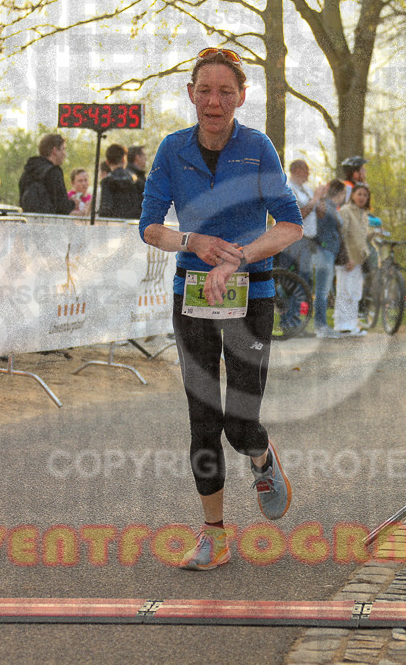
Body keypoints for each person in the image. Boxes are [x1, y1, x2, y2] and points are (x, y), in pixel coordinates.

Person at [138, 47, 302, 570]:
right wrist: (192, 240)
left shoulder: (258, 148)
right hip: (193, 300)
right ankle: (214, 535)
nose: (214, 101)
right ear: (190, 94)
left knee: (239, 421)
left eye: (225, 92)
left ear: (241, 97)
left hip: (251, 298)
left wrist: (239, 257)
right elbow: (149, 226)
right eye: (204, 90)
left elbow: (290, 223)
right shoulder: (171, 149)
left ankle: (261, 455)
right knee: (203, 420)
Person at [276, 159, 316, 330]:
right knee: (290, 282)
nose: (308, 173)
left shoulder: (307, 190)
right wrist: (316, 201)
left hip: (308, 241)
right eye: (306, 170)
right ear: (298, 170)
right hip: (292, 241)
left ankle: (297, 322)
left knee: (304, 282)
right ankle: (287, 321)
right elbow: (299, 214)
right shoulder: (289, 188)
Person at [334, 183, 372, 337]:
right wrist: (345, 258)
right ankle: (342, 326)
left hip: (358, 260)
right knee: (344, 292)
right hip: (346, 260)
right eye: (359, 194)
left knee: (355, 293)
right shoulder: (345, 211)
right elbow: (341, 236)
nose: (362, 197)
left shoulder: (363, 214)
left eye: (365, 195)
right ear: (353, 195)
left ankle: (352, 325)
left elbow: (361, 237)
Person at [311, 180, 345, 338]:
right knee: (322, 291)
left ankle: (321, 325)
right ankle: (321, 326)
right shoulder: (324, 205)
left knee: (323, 290)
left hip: (329, 252)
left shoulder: (331, 206)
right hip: (323, 251)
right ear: (340, 193)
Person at [18, 133, 74, 214]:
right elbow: (62, 207)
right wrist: (73, 203)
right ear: (55, 151)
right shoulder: (53, 171)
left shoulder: (27, 171)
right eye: (63, 149)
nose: (64, 154)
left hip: (28, 222)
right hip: (48, 224)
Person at [99, 143, 141, 219]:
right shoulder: (136, 181)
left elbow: (105, 209)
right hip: (133, 225)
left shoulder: (106, 182)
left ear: (107, 162)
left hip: (115, 227)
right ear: (124, 160)